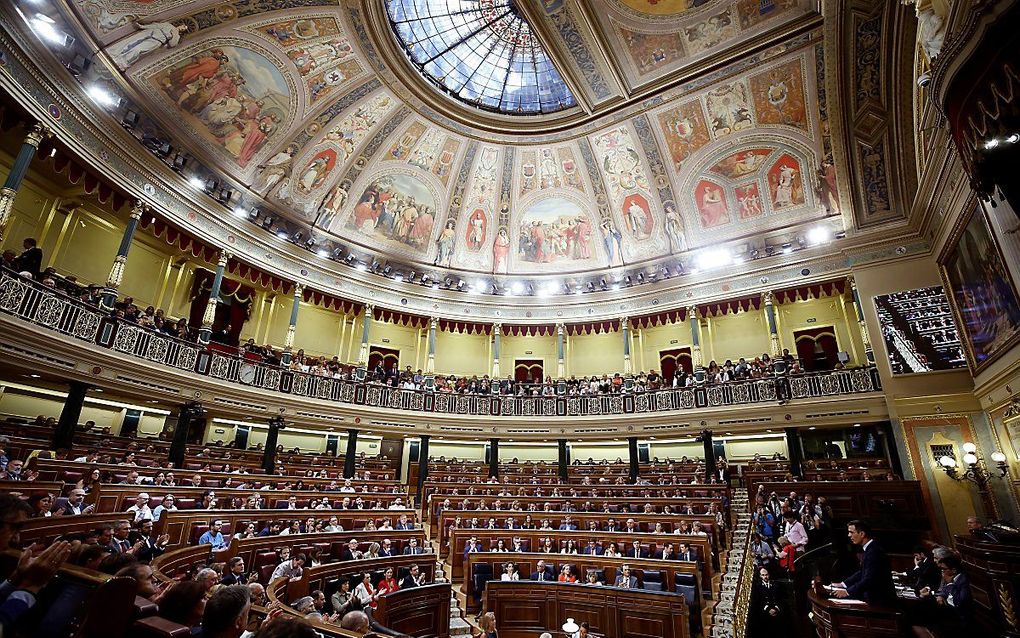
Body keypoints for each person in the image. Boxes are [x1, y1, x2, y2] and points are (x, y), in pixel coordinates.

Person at [830, 520, 895, 604]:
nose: (849, 535)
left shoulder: (874, 551)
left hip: (881, 602)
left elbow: (869, 579)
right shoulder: (869, 549)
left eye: (851, 532)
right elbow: (862, 572)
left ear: (862, 534)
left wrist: (847, 592)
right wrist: (843, 584)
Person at [752, 567, 783, 633]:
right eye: (763, 575)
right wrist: (768, 609)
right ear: (760, 576)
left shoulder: (775, 585)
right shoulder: (757, 587)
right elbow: (758, 602)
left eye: (766, 575)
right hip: (764, 613)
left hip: (777, 611)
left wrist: (776, 608)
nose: (765, 577)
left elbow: (780, 598)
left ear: (769, 575)